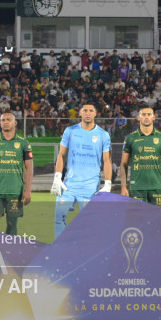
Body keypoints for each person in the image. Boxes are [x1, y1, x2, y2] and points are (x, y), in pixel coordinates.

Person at [50, 102, 112, 238]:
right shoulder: (70, 131)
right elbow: (61, 155)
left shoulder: (103, 135)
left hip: (90, 186)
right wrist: (57, 177)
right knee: (59, 217)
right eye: (85, 110)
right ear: (80, 113)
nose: (88, 113)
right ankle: (60, 247)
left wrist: (108, 184)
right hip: (69, 185)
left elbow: (107, 160)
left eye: (91, 110)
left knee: (90, 223)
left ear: (95, 113)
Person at [0, 113, 33, 235]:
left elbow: (29, 168)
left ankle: (9, 247)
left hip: (15, 191)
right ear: (0, 123)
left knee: (12, 224)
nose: (5, 122)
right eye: (3, 120)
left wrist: (28, 190)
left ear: (15, 123)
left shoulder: (24, 143)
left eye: (8, 119)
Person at [120, 106, 161, 208]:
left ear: (154, 117)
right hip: (136, 188)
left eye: (149, 114)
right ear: (138, 117)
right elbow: (123, 164)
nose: (146, 117)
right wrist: (123, 187)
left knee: (158, 218)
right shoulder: (130, 138)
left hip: (157, 187)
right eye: (143, 114)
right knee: (137, 219)